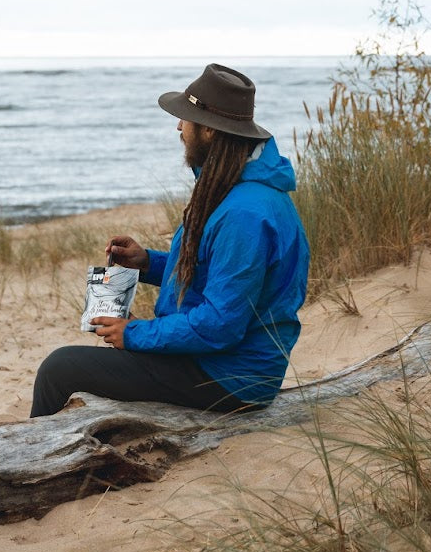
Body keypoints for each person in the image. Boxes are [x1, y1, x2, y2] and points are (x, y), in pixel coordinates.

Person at [30, 63, 310, 417]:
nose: (179, 126)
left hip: (231, 378)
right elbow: (220, 275)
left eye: (185, 118)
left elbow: (221, 325)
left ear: (208, 131)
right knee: (75, 363)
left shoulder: (245, 213)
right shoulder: (235, 191)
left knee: (61, 367)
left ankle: (31, 456)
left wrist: (134, 334)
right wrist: (147, 263)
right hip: (216, 361)